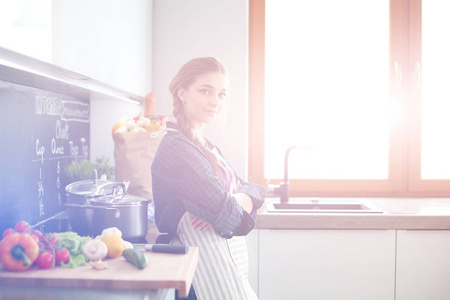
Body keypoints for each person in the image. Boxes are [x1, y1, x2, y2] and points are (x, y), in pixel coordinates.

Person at [151, 57, 266, 300]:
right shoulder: (178, 149)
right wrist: (238, 201)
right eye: (205, 91)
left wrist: (241, 196)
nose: (215, 102)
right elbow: (233, 219)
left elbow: (252, 189)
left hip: (227, 266)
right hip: (204, 272)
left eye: (222, 94)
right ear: (183, 93)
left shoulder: (206, 146)